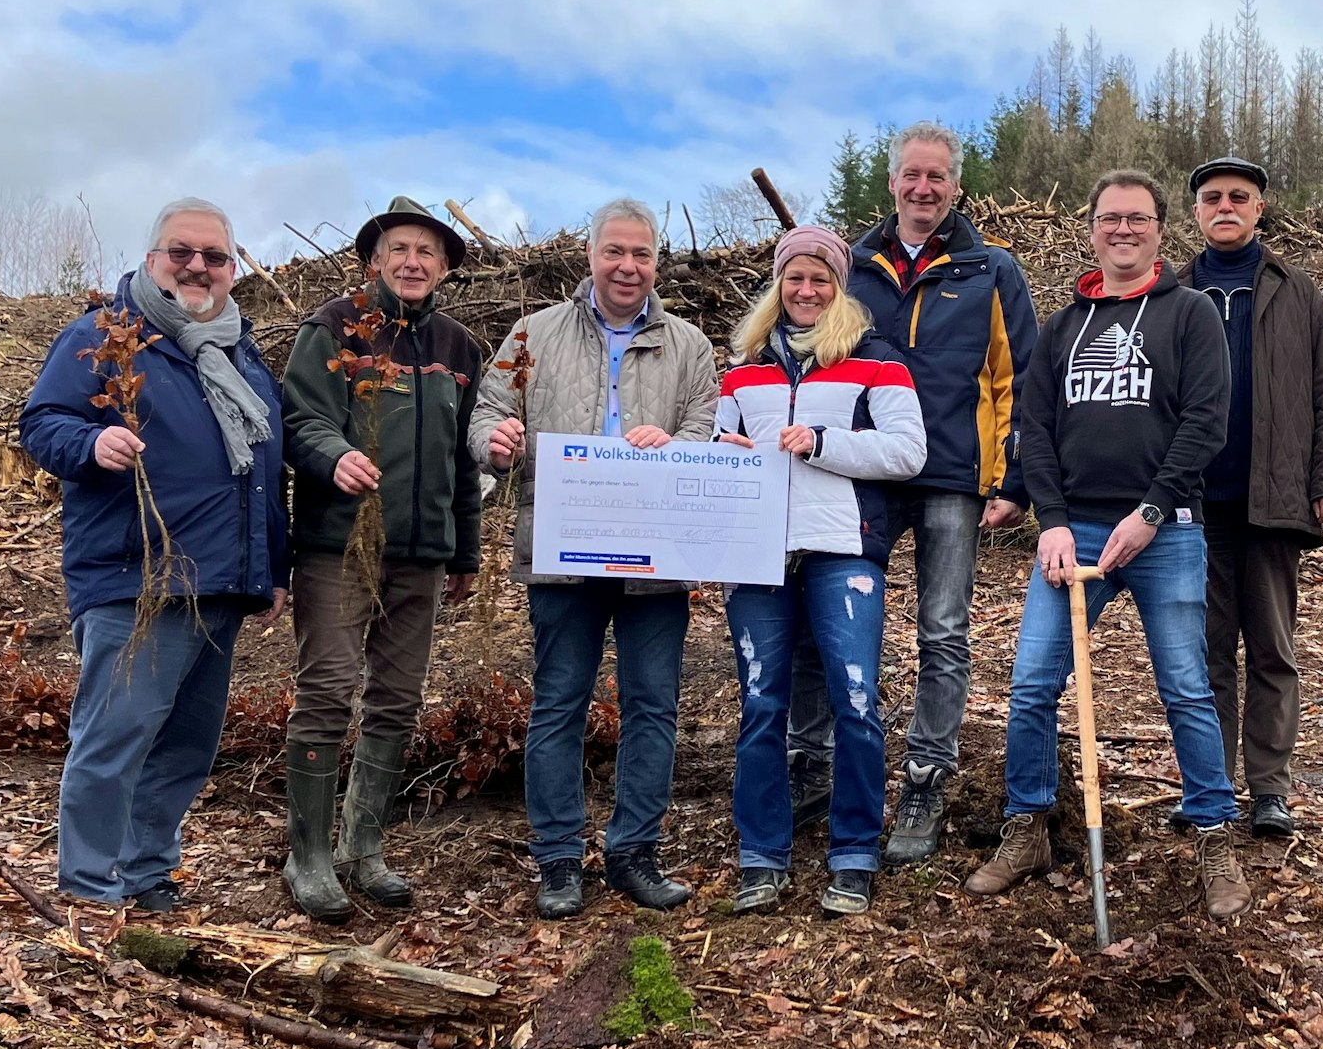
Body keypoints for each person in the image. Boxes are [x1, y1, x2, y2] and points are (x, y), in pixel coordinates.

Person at [964, 169, 1252, 919]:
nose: (1124, 230)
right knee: (1031, 683)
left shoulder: (1189, 315)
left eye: (1139, 219)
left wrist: (1151, 512)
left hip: (1167, 532)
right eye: (1110, 219)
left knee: (1186, 686)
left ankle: (1214, 831)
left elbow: (1206, 423)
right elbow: (1037, 435)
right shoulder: (1062, 330)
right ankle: (1027, 826)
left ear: (1161, 228)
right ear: (1091, 228)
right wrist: (1051, 519)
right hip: (1074, 530)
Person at [19, 197, 287, 910]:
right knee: (115, 739)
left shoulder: (244, 359)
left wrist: (273, 570)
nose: (198, 267)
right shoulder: (108, 338)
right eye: (182, 252)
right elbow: (43, 422)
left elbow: (264, 473)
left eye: (214, 257)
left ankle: (146, 873)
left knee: (186, 748)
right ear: (151, 259)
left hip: (222, 583)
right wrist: (92, 443)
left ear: (233, 270)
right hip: (134, 578)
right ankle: (88, 889)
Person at [787, 120, 1040, 866]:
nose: (923, 188)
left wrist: (1013, 478)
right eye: (912, 175)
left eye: (938, 176)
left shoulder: (990, 269)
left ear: (957, 186)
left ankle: (926, 779)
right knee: (820, 622)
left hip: (951, 479)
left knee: (942, 632)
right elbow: (806, 359)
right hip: (857, 472)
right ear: (893, 182)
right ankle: (812, 766)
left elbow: (1019, 379)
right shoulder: (851, 267)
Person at [468, 198, 719, 919]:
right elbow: (486, 413)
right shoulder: (532, 334)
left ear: (656, 264)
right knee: (559, 703)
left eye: (642, 255)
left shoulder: (690, 345)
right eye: (616, 252)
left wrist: (676, 446)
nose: (628, 266)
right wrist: (496, 442)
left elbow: (706, 420)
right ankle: (557, 860)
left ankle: (634, 850)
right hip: (561, 546)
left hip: (654, 547)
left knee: (654, 706)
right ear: (591, 256)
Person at [279, 196, 483, 922]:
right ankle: (307, 855)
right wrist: (335, 459)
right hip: (340, 544)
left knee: (396, 698)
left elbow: (463, 457)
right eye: (400, 249)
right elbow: (300, 418)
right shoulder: (332, 327)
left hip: (422, 553)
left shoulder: (460, 348)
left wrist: (466, 548)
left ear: (445, 268)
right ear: (374, 259)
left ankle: (364, 846)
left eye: (427, 253)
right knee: (329, 689)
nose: (413, 262)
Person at [716, 226, 927, 917]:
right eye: (794, 279)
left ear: (840, 287)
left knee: (856, 702)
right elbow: (717, 446)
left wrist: (823, 443)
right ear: (778, 286)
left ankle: (855, 851)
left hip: (844, 551)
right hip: (757, 555)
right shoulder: (743, 367)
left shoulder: (876, 361)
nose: (807, 291)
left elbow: (908, 452)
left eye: (821, 279)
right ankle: (762, 856)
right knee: (760, 707)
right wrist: (724, 449)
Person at [1179, 156, 1323, 837]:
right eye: (1214, 197)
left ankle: (1271, 790)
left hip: (1275, 498)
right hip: (1193, 505)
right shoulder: (1171, 290)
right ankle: (1210, 786)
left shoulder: (1296, 291)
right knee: (1206, 651)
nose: (1226, 206)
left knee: (1274, 649)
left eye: (1240, 197)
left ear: (1260, 210)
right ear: (1196, 213)